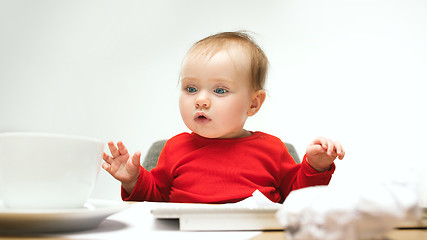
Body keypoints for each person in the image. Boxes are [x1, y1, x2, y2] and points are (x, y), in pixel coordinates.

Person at [102, 31, 345, 203]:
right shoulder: (174, 148)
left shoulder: (272, 149)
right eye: (191, 88)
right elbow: (154, 199)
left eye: (219, 90)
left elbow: (299, 199)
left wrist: (315, 166)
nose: (200, 100)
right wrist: (133, 180)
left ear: (253, 103)